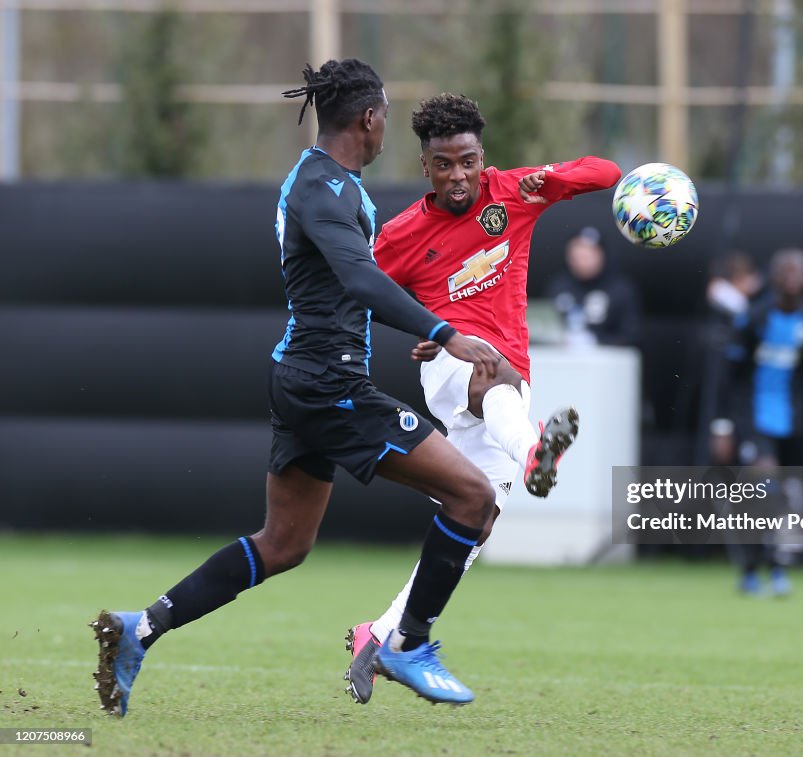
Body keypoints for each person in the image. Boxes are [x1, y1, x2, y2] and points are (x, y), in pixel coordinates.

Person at [90, 59, 511, 714]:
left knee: (283, 543)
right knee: (474, 497)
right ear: (370, 119)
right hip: (327, 384)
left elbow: (348, 287)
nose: (384, 133)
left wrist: (425, 330)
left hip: (305, 378)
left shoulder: (328, 182)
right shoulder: (323, 188)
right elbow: (358, 280)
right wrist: (447, 330)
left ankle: (138, 629)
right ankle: (408, 642)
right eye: (384, 121)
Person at [342, 93, 621, 704]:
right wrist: (424, 329)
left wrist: (565, 181)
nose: (458, 176)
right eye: (444, 165)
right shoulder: (404, 234)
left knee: (476, 517)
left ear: (481, 156)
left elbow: (603, 173)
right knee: (493, 376)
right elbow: (360, 293)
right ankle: (534, 451)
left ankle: (381, 633)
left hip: (508, 377)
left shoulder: (514, 194)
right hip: (453, 363)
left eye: (467, 162)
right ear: (426, 168)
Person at [709, 248, 803, 595]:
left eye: (798, 272)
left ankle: (772, 564)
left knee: (784, 495)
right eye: (785, 272)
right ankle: (756, 567)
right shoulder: (754, 317)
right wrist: (723, 425)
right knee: (764, 484)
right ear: (773, 278)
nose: (792, 278)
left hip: (794, 419)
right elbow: (728, 374)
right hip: (753, 416)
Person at [546, 226, 642, 347]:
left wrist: (596, 341)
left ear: (602, 255)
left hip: (607, 359)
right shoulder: (559, 286)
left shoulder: (620, 288)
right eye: (577, 255)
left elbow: (632, 335)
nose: (582, 261)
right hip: (562, 357)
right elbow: (544, 327)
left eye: (588, 255)